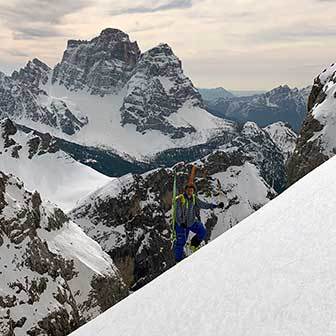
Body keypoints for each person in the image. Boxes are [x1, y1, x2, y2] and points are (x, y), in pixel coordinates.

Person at [173, 183, 224, 262]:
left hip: (191, 222)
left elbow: (204, 205)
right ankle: (178, 261)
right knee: (181, 243)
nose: (190, 192)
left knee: (202, 231)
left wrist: (216, 206)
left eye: (191, 190)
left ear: (193, 191)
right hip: (181, 225)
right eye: (188, 190)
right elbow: (177, 213)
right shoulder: (180, 199)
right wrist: (181, 222)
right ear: (185, 190)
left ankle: (193, 245)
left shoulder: (194, 199)